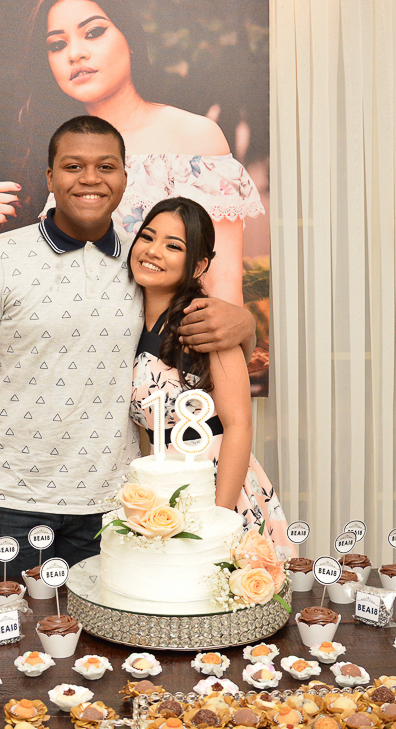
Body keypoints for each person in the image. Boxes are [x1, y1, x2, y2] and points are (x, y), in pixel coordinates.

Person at [0, 116, 255, 580]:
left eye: (105, 166)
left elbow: (200, 320)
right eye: (72, 166)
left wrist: (246, 324)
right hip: (3, 503)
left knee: (108, 629)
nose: (89, 179)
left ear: (124, 177)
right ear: (50, 178)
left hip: (116, 509)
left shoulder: (142, 265)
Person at [0, 0, 263, 313]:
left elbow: (223, 291)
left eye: (93, 32)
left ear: (131, 39)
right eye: (57, 45)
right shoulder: (53, 156)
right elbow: (31, 304)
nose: (75, 54)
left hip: (165, 344)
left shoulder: (194, 138)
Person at [128, 196, 294, 554]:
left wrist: (217, 516)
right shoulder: (126, 321)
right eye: (148, 237)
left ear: (199, 265)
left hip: (217, 484)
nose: (153, 251)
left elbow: (239, 426)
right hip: (160, 487)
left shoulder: (209, 323)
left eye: (173, 246)